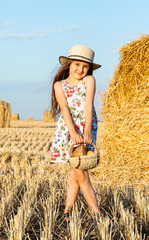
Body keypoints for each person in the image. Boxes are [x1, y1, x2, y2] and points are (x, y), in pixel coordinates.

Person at [49, 45, 101, 224]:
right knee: (76, 172)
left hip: (85, 128)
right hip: (69, 130)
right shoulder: (59, 85)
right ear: (69, 65)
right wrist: (72, 132)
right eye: (77, 65)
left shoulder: (89, 81)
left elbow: (88, 104)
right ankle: (67, 211)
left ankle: (96, 214)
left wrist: (86, 132)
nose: (81, 69)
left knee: (81, 172)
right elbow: (64, 109)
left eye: (85, 66)